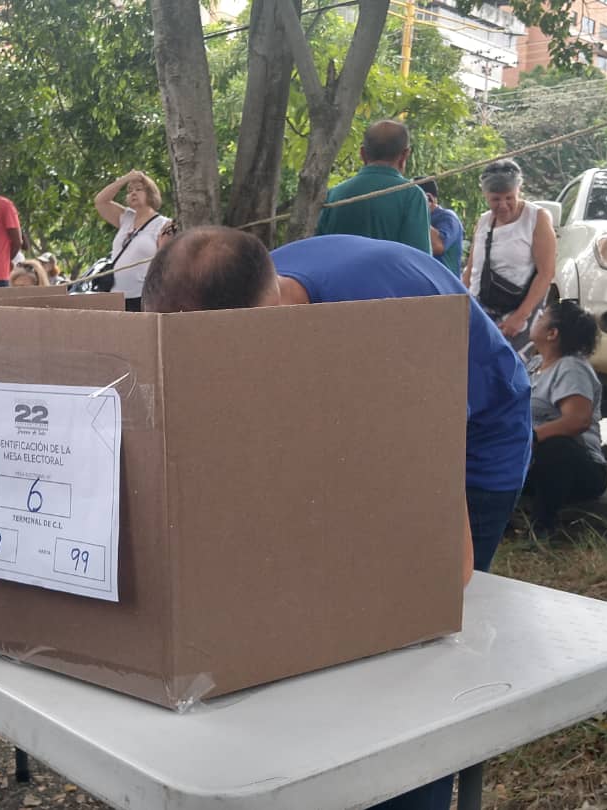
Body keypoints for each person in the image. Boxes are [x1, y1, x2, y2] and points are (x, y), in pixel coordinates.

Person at [143, 228, 530, 810]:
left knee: (412, 639)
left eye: (206, 353)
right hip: (375, 401)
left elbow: (451, 563)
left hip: (478, 436)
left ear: (268, 310)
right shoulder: (243, 297)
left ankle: (405, 787)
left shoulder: (380, 332)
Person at [526, 301, 607, 535]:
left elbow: (577, 421)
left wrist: (530, 437)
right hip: (531, 460)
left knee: (556, 447)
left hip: (579, 470)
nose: (536, 318)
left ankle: (544, 528)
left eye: (542, 316)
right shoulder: (534, 365)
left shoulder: (571, 368)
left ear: (552, 334)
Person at [462, 159, 556, 351]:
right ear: (486, 196)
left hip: (516, 312)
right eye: (495, 199)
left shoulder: (537, 218)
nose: (503, 206)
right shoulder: (483, 221)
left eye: (509, 198)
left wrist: (520, 316)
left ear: (518, 191)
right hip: (481, 308)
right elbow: (472, 269)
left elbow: (546, 273)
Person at [315, 120, 431, 253]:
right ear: (405, 155)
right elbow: (419, 260)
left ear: (362, 153)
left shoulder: (334, 194)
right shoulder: (412, 196)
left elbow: (320, 250)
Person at [94, 169, 170, 311]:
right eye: (129, 191)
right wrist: (125, 179)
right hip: (115, 296)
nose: (133, 193)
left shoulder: (165, 224)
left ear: (150, 193)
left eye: (139, 189)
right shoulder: (126, 217)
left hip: (142, 297)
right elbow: (100, 201)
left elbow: (164, 265)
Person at [416, 177, 464, 277]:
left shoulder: (447, 217)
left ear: (429, 198)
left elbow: (438, 246)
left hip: (446, 286)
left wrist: (418, 212)